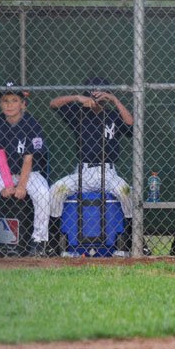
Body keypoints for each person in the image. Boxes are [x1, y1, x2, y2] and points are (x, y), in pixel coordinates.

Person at [48, 77, 135, 251]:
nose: (97, 98)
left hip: (108, 171)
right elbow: (53, 104)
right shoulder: (78, 113)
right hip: (83, 171)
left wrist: (114, 99)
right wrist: (77, 98)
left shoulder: (113, 115)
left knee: (125, 191)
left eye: (101, 94)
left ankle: (133, 240)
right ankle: (52, 243)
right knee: (57, 189)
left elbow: (130, 124)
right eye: (93, 94)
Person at [0, 81, 51, 257]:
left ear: (23, 104)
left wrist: (21, 186)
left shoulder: (32, 123)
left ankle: (39, 242)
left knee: (43, 194)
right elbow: (0, 156)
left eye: (14, 100)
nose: (9, 105)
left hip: (30, 173)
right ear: (0, 103)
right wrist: (8, 184)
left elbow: (28, 158)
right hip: (4, 172)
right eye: (5, 100)